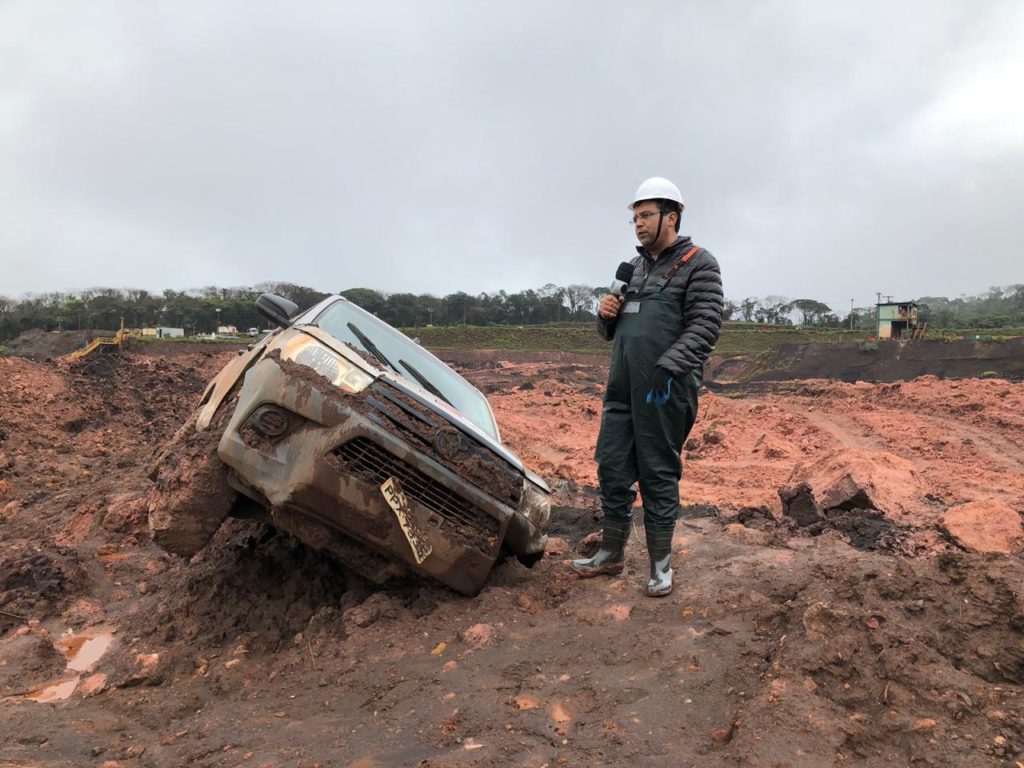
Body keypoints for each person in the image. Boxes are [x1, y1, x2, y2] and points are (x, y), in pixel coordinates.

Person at [571, 177, 723, 597]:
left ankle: (660, 564)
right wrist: (605, 315)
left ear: (671, 217)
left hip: (664, 388)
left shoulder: (698, 264)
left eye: (647, 215)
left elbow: (706, 324)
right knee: (612, 465)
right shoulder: (633, 270)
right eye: (635, 217)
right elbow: (611, 332)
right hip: (622, 387)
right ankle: (611, 553)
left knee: (657, 471)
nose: (638, 224)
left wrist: (669, 367)